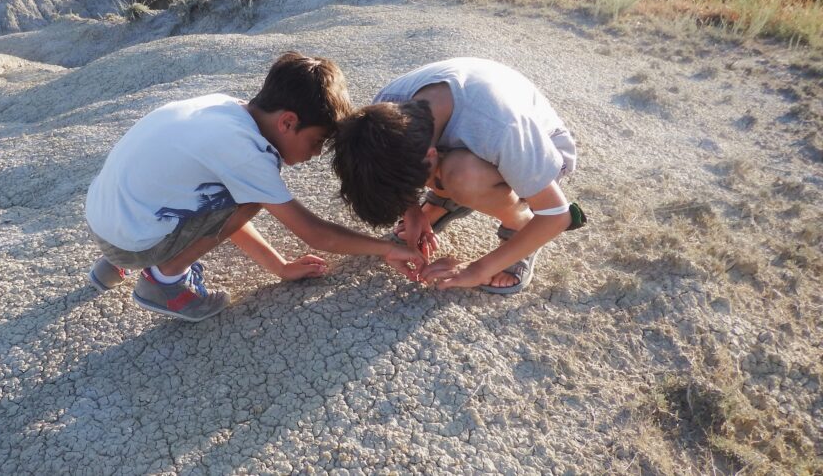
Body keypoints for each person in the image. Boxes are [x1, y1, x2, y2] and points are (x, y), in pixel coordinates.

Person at [85, 52, 425, 322]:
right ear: (288, 122)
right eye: (317, 141)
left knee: (213, 189)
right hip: (129, 240)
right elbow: (316, 234)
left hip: (106, 218)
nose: (316, 153)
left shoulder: (222, 106)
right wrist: (385, 249)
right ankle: (164, 283)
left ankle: (115, 264)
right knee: (249, 199)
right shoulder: (249, 154)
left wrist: (280, 266)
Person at [331, 58, 581, 294]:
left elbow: (557, 215)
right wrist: (412, 212)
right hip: (473, 140)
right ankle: (445, 200)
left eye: (416, 187)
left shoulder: (502, 128)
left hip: (544, 151)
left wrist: (477, 269)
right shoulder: (380, 115)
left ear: (431, 156)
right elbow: (388, 164)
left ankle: (520, 225)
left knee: (463, 175)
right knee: (451, 170)